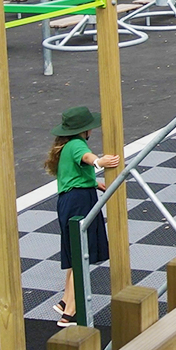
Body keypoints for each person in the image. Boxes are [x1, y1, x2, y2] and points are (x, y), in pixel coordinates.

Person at [45, 106, 119, 328]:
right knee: (82, 251)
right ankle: (70, 313)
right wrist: (100, 162)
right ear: (84, 130)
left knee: (74, 251)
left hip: (68, 200)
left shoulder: (65, 146)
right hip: (79, 202)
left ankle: (65, 301)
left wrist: (93, 182)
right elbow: (86, 157)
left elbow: (72, 174)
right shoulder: (77, 145)